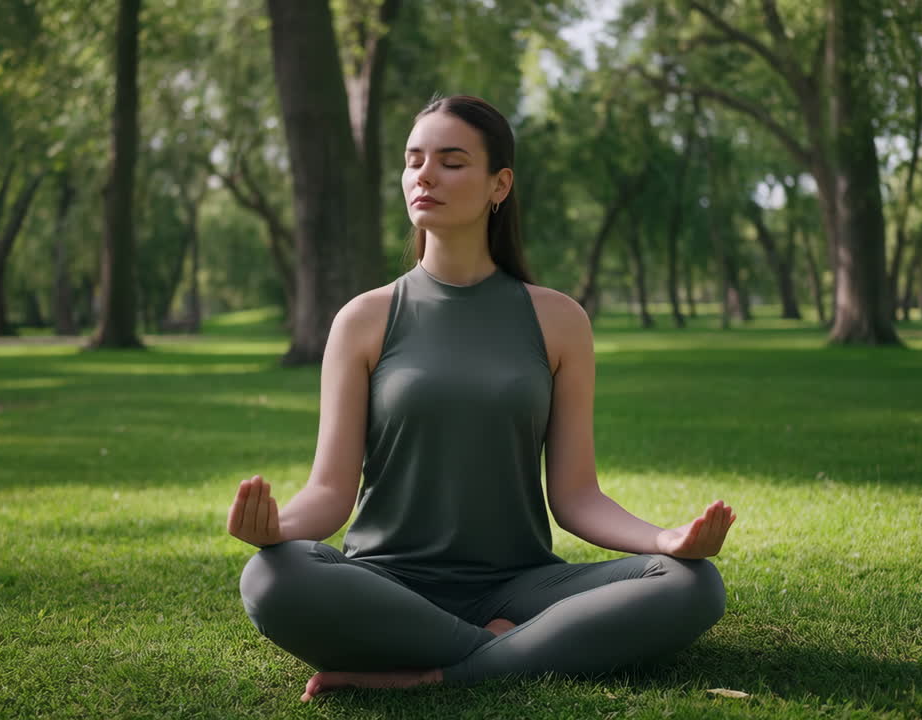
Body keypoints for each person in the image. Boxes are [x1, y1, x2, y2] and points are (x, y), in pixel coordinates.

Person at [227, 95, 736, 702]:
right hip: (386, 583)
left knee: (693, 584)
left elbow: (576, 496)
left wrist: (664, 541)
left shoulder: (558, 319)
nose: (425, 175)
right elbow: (331, 492)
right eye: (414, 160)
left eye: (451, 161)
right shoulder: (363, 319)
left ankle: (448, 668)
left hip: (522, 584)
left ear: (500, 184)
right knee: (271, 577)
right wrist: (276, 529)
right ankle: (517, 646)